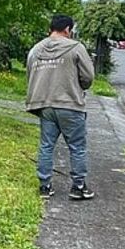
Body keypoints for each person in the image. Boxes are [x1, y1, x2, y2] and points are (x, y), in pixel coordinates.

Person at [26, 14, 95, 200]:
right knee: (77, 147)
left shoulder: (36, 49)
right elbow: (88, 77)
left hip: (45, 104)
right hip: (70, 104)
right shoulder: (76, 47)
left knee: (46, 146)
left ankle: (45, 186)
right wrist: (80, 86)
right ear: (67, 29)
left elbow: (30, 73)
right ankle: (79, 186)